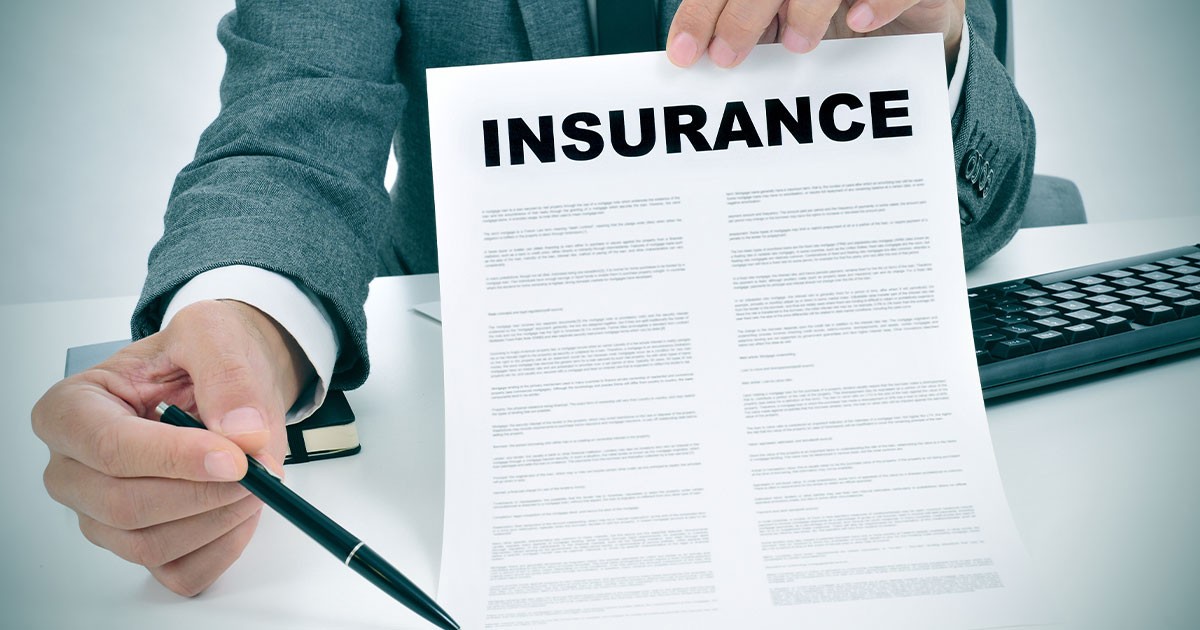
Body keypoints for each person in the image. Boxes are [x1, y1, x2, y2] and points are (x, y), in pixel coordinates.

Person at [31, 0, 1032, 597]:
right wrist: (243, 317)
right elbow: (294, 122)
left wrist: (925, 44)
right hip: (506, 399)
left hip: (834, 391)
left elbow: (990, 182)